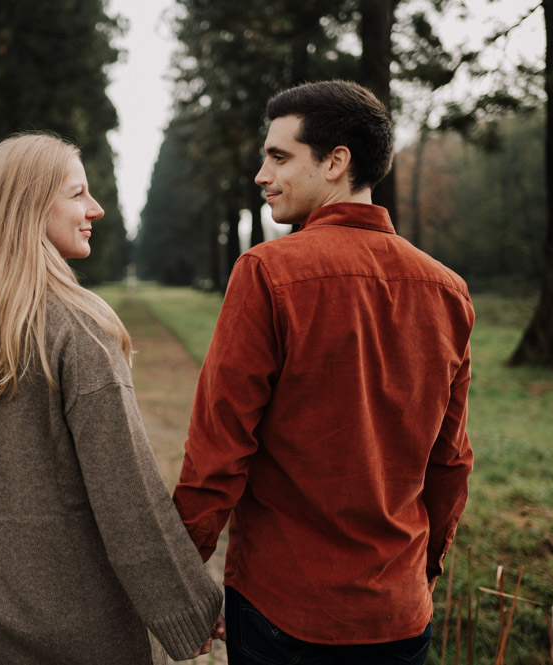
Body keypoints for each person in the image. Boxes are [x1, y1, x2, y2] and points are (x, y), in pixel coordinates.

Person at [172, 80, 475, 665]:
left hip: (285, 612)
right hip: (400, 617)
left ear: (337, 162)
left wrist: (180, 579)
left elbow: (218, 452)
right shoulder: (448, 290)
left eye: (279, 157)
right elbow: (450, 461)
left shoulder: (265, 272)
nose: (262, 175)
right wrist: (421, 573)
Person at [0, 132, 223, 664]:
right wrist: (188, 605)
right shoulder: (77, 327)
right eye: (77, 193)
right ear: (29, 205)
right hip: (81, 624)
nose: (96, 208)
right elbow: (126, 493)